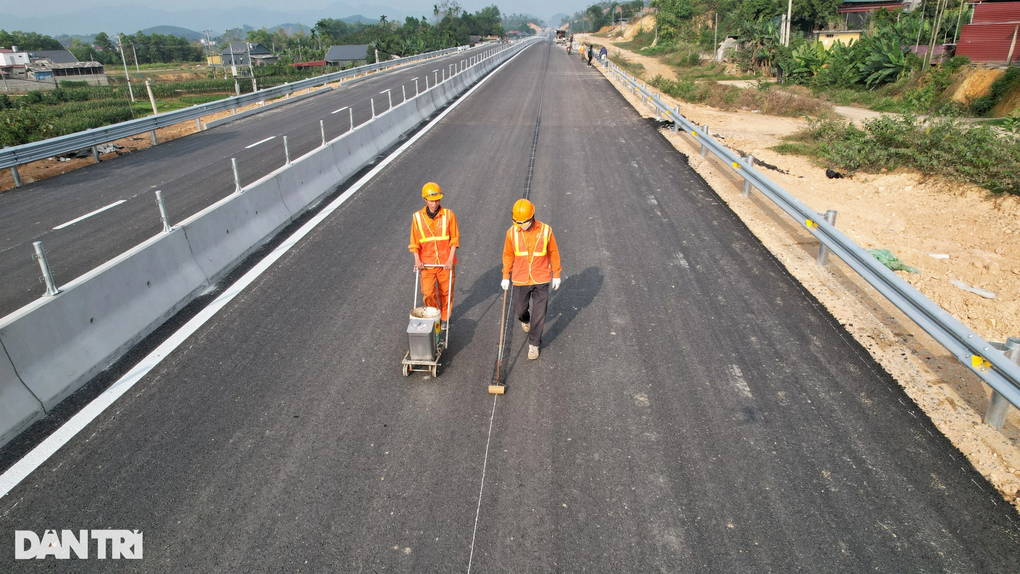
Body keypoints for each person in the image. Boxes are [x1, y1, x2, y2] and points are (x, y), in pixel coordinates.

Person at [500, 199, 562, 360]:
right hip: (520, 278)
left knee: (539, 314)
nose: (521, 225)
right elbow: (508, 255)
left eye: (524, 222)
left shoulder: (546, 230)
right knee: (520, 309)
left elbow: (553, 252)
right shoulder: (511, 233)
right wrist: (506, 276)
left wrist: (557, 274)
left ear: (532, 216)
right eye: (518, 222)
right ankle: (525, 320)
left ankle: (534, 344)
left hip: (541, 278)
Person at [409, 182, 459, 331]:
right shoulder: (417, 218)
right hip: (427, 264)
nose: (435, 203)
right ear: (425, 200)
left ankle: (444, 317)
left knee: (446, 292)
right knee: (429, 292)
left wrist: (450, 259)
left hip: (445, 263)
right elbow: (414, 242)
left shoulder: (449, 215)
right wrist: (417, 261)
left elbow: (454, 239)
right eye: (432, 201)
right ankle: (434, 314)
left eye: (437, 200)